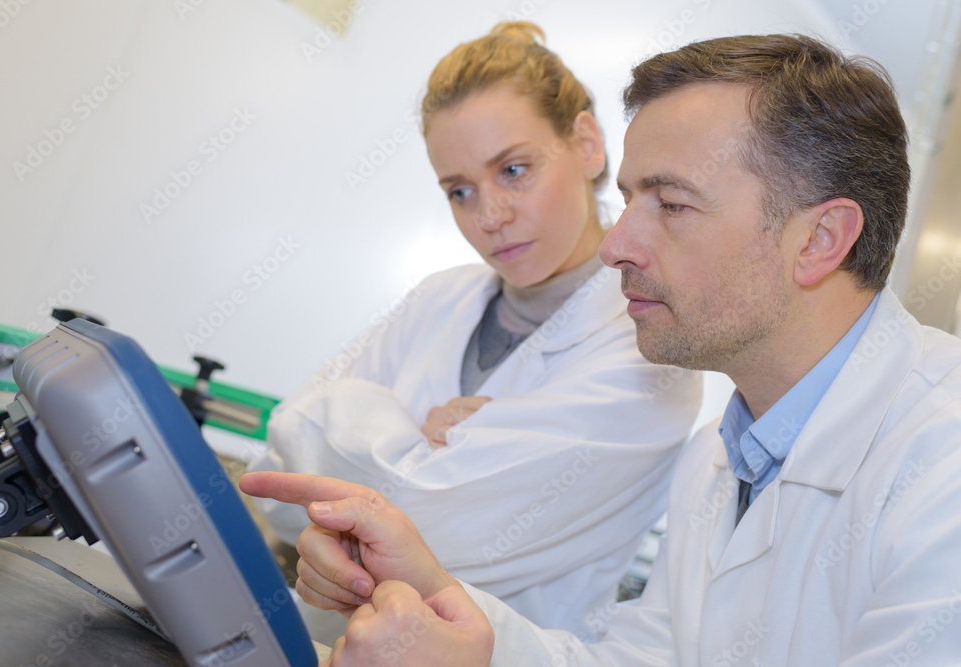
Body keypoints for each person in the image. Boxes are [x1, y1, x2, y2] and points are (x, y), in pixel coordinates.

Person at [240, 33, 961, 666]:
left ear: (820, 239)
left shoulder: (942, 458)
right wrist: (451, 610)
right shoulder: (722, 456)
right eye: (630, 198)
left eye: (671, 203)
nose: (615, 245)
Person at [247, 21, 702, 640]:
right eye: (459, 190)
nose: (490, 216)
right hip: (325, 644)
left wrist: (346, 416)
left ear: (588, 144)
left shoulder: (649, 355)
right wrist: (410, 452)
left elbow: (427, 523)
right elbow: (278, 467)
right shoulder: (441, 297)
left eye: (514, 169)